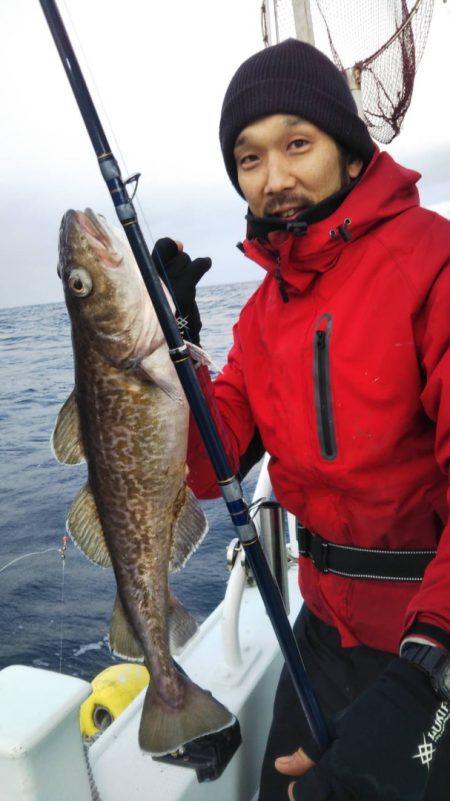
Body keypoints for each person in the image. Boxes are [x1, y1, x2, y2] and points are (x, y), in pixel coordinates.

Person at [152, 38, 450, 801]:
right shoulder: (259, 316)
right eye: (249, 158)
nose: (274, 178)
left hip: (427, 641)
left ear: (348, 152)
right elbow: (206, 460)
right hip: (317, 633)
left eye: (296, 144)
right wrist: (175, 351)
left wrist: (426, 670)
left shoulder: (433, 263)